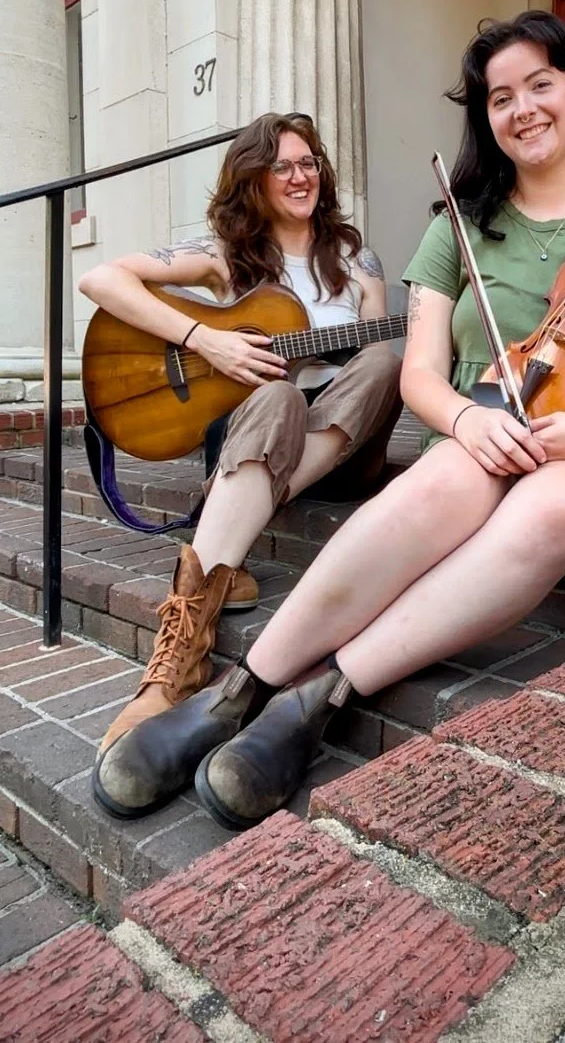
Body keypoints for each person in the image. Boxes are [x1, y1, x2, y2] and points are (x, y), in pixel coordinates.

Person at [92, 11, 565, 828]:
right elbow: (419, 372)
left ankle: (322, 693)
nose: (522, 108)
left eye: (539, 85)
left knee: (550, 503)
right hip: (489, 424)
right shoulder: (456, 225)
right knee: (434, 485)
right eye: (500, 97)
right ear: (484, 118)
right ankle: (239, 690)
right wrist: (462, 420)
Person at [81, 112, 401, 766]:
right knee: (277, 392)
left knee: (383, 361)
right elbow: (101, 279)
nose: (299, 175)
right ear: (252, 178)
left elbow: (377, 344)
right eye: (281, 165)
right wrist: (207, 340)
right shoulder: (226, 256)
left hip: (340, 444)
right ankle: (179, 658)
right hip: (264, 429)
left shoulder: (354, 255)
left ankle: (234, 514)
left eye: (308, 162)